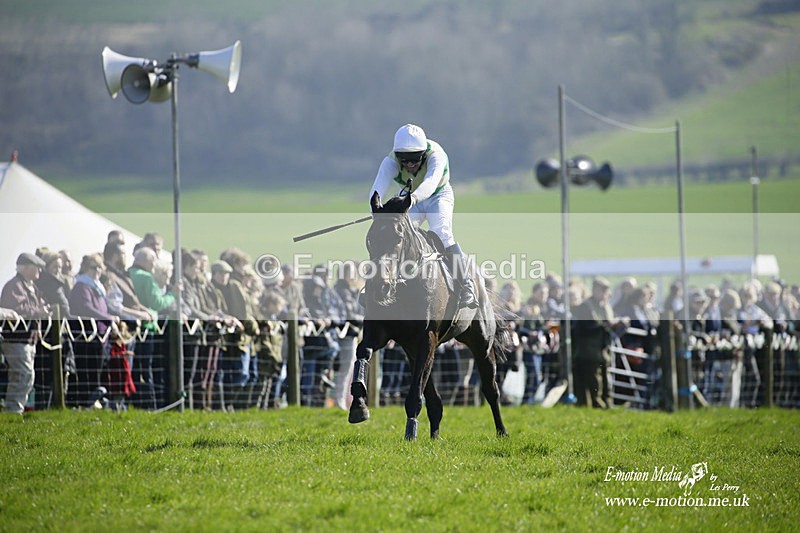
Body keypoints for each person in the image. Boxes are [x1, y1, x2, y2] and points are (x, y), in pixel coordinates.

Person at [368, 123, 477, 308]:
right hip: (410, 200)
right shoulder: (390, 162)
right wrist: (378, 216)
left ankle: (466, 284)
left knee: (441, 232)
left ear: (423, 153)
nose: (410, 165)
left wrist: (411, 200)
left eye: (415, 159)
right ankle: (380, 286)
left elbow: (430, 183)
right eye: (405, 160)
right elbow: (376, 191)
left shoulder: (437, 155)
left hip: (437, 196)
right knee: (392, 235)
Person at [0, 253, 51, 414]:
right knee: (22, 375)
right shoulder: (13, 286)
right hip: (15, 340)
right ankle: (13, 411)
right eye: (37, 268)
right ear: (27, 267)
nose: (40, 272)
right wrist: (39, 311)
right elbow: (14, 309)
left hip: (27, 340)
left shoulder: (31, 287)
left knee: (27, 376)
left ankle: (16, 409)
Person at [68, 253, 120, 407]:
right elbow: (86, 307)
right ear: (85, 268)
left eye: (99, 267)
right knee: (87, 370)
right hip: (87, 336)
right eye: (93, 267)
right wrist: (108, 318)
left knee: (97, 369)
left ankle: (95, 399)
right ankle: (87, 401)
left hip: (100, 335)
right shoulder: (81, 286)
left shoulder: (97, 287)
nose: (97, 270)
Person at [572, 277, 628, 408]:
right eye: (601, 290)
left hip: (604, 350)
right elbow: (586, 327)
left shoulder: (606, 306)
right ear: (594, 290)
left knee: (605, 378)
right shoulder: (585, 307)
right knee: (594, 380)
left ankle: (606, 403)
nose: (604, 293)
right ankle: (596, 404)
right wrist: (607, 324)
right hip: (588, 351)